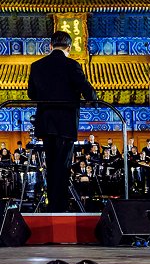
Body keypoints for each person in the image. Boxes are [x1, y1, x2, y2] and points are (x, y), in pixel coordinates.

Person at [27, 30, 97, 212]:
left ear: (50, 46)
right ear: (69, 47)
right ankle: (61, 207)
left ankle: (52, 207)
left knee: (51, 165)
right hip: (66, 123)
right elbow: (85, 87)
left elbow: (31, 94)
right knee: (63, 165)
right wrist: (93, 99)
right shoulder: (72, 65)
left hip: (47, 122)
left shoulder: (37, 66)